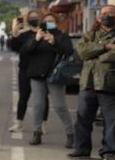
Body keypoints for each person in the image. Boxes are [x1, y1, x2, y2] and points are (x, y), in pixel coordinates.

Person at [68, 4, 115, 160]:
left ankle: (108, 151)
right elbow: (82, 51)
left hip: (111, 82)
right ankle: (81, 149)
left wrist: (98, 56)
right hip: (89, 82)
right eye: (104, 13)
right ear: (99, 17)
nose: (107, 16)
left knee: (112, 121)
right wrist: (106, 46)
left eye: (111, 13)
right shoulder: (91, 33)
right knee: (83, 118)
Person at [22, 13, 75, 147]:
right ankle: (37, 133)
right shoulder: (37, 35)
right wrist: (36, 39)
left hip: (55, 76)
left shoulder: (62, 36)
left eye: (51, 21)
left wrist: (54, 41)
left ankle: (71, 134)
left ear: (56, 23)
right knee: (38, 106)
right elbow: (26, 50)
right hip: (37, 75)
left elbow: (69, 51)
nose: (48, 23)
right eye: (46, 21)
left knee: (60, 106)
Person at [9, 13, 46, 132]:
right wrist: (14, 32)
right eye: (32, 17)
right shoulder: (23, 35)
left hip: (41, 69)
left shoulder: (45, 33)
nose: (34, 19)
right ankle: (19, 123)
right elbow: (15, 48)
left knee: (43, 98)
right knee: (23, 97)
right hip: (25, 69)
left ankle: (43, 124)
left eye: (36, 17)